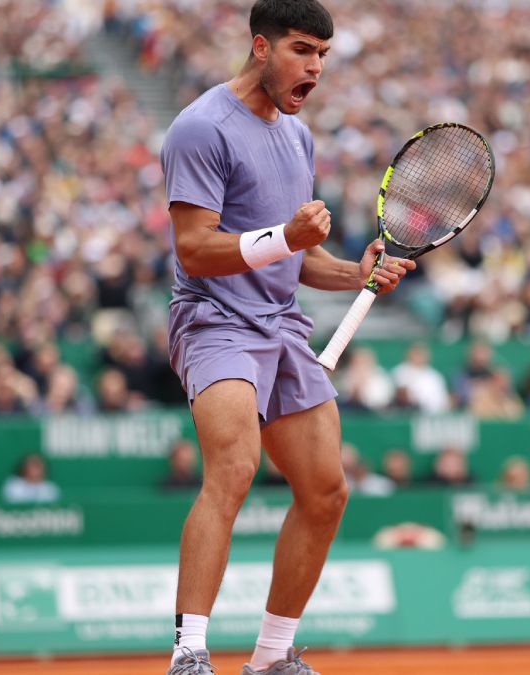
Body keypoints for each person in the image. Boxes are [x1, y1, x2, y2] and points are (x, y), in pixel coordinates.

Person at [159, 2, 415, 671]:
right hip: (214, 320)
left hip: (281, 326)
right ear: (261, 47)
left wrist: (354, 273)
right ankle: (189, 653)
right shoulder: (200, 128)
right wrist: (286, 238)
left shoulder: (299, 138)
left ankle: (271, 657)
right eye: (303, 51)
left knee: (327, 490)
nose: (315, 68)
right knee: (235, 468)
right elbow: (193, 250)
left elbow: (295, 262)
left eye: (324, 56)